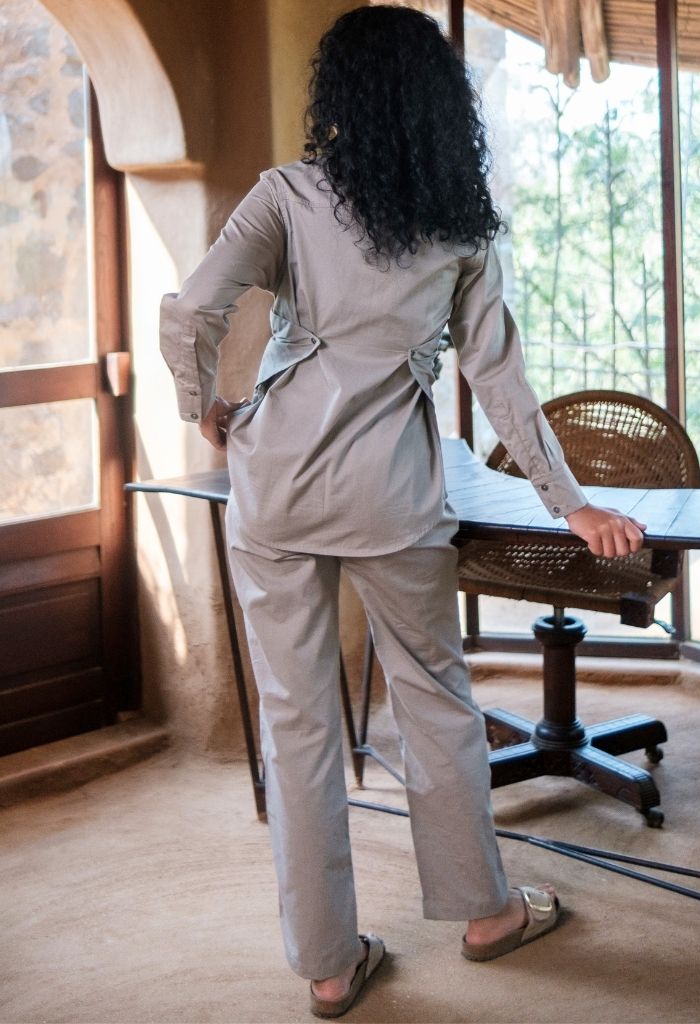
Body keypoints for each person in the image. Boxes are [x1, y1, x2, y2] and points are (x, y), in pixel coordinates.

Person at [160, 5, 646, 1017]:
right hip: (391, 492)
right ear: (438, 106)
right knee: (434, 700)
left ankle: (330, 965)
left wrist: (199, 401)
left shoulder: (286, 195)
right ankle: (487, 915)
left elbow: (193, 305)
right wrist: (571, 503)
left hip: (275, 485)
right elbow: (500, 381)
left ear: (336, 96)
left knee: (298, 724)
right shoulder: (459, 225)